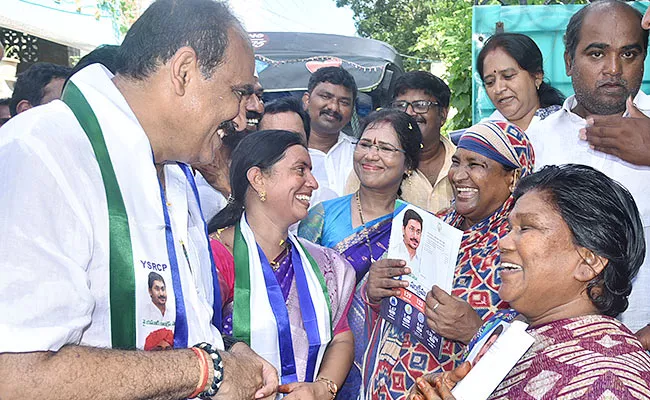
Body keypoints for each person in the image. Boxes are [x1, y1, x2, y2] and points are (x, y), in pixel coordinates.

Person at [0, 1, 278, 398]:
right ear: (184, 71)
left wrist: (225, 354)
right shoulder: (41, 152)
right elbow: (14, 378)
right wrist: (207, 369)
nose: (240, 117)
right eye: (238, 93)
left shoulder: (178, 175)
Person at [411, 164, 650, 400]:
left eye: (526, 228)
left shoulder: (608, 381)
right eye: (508, 228)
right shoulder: (515, 337)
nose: (503, 242)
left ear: (588, 263)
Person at [363, 120, 534, 400]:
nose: (458, 175)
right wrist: (374, 290)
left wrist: (475, 332)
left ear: (512, 178)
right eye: (456, 162)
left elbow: (536, 351)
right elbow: (380, 309)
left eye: (475, 165)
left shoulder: (520, 248)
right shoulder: (431, 225)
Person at [526, 0, 650, 337]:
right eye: (597, 54)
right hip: (554, 354)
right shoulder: (532, 142)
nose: (613, 69)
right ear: (569, 61)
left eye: (629, 54)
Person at [207, 130, 356, 399]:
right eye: (300, 170)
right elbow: (197, 338)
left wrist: (322, 388)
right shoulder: (214, 256)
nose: (313, 183)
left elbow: (342, 336)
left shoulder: (324, 264)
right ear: (258, 179)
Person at [299, 108, 423, 399]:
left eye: (386, 148)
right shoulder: (322, 215)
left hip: (392, 366)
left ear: (408, 164)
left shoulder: (420, 226)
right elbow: (299, 292)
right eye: (365, 144)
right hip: (322, 362)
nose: (371, 155)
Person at [347, 71, 455, 213]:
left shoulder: (462, 163)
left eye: (421, 105)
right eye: (401, 105)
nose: (409, 112)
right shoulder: (373, 165)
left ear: (443, 114)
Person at [477, 33, 565, 131]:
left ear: (537, 76)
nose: (498, 89)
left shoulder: (566, 128)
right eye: (490, 82)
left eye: (508, 76)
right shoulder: (483, 135)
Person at [303, 66, 357, 201]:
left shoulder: (360, 153)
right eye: (326, 97)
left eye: (344, 102)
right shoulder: (286, 151)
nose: (333, 107)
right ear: (306, 100)